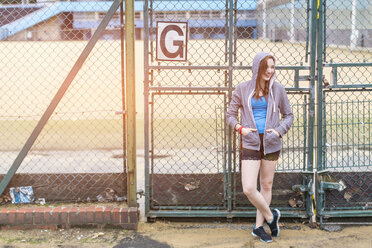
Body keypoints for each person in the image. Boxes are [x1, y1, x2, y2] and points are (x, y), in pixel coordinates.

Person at [226, 52, 294, 243]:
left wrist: (279, 131)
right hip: (250, 142)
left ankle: (258, 227)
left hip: (271, 143)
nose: (270, 71)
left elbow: (289, 115)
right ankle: (272, 217)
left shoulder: (278, 89)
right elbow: (230, 115)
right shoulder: (243, 88)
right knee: (249, 187)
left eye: (272, 67)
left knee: (266, 185)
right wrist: (241, 129)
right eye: (266, 67)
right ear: (257, 68)